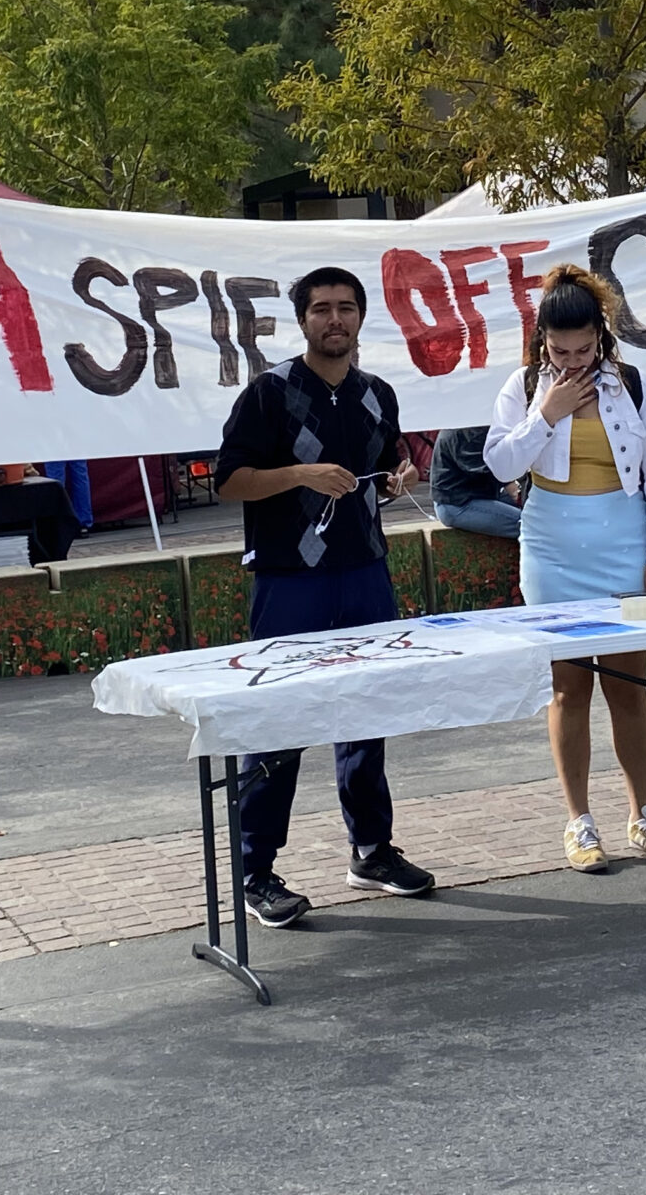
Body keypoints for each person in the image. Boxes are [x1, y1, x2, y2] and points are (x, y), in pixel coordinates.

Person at [213, 265, 434, 927]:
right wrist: (300, 474)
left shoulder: (377, 394)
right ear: (303, 320)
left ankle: (371, 850)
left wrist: (397, 480)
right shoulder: (269, 393)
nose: (334, 319)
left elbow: (384, 469)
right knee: (281, 718)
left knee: (367, 709)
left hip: (365, 569)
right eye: (321, 309)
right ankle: (256, 870)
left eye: (345, 308)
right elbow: (229, 481)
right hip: (289, 578)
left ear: (362, 317)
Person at [482, 265, 646, 874]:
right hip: (551, 546)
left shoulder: (636, 385)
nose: (572, 360)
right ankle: (579, 822)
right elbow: (497, 463)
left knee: (630, 684)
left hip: (623, 542)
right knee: (568, 687)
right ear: (542, 339)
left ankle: (642, 813)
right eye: (559, 349)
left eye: (584, 348)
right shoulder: (523, 386)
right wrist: (547, 412)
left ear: (602, 335)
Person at [432, 426, 521, 539]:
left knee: (534, 515)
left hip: (480, 494)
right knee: (530, 526)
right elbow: (493, 471)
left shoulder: (465, 424)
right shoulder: (464, 433)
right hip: (457, 504)